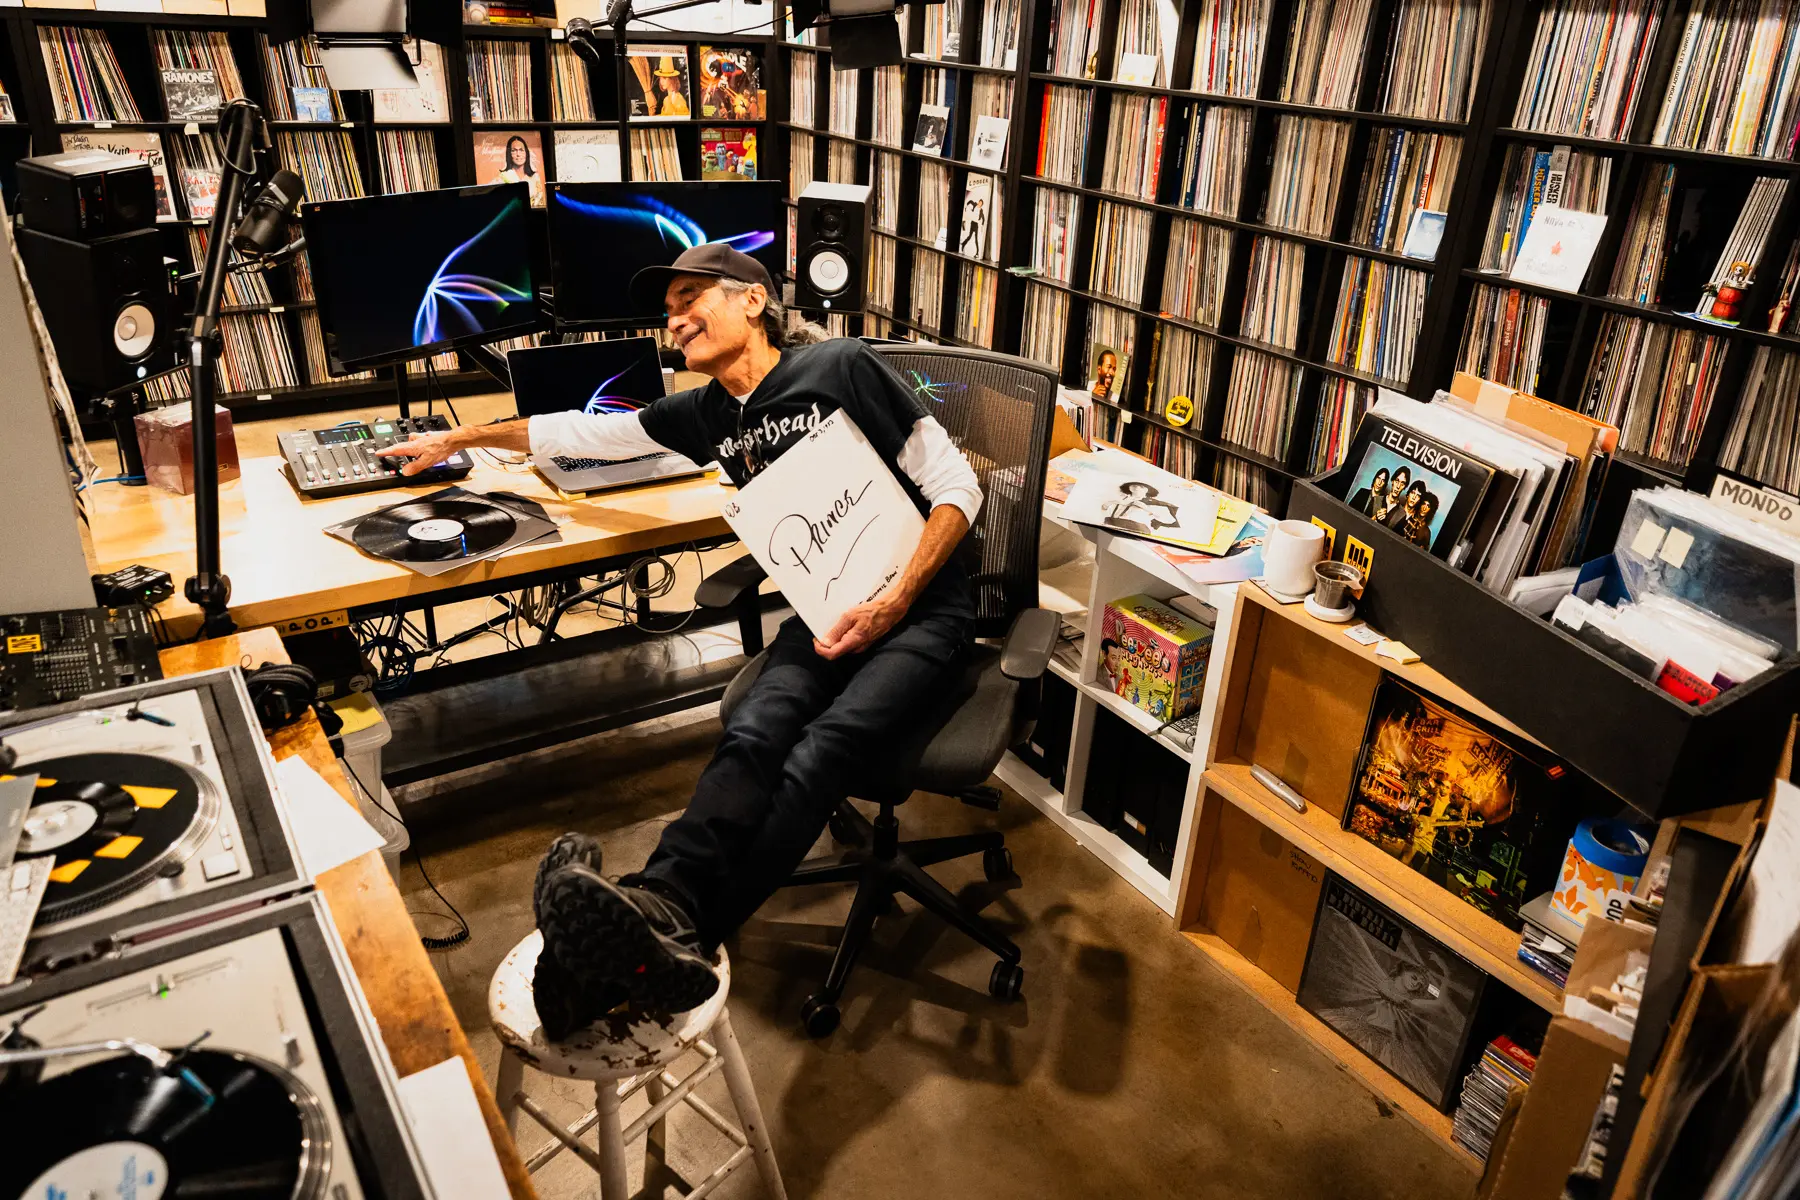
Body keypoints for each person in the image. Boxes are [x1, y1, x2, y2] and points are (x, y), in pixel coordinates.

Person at [383, 244, 983, 1034]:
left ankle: (678, 930)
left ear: (754, 302)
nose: (673, 320)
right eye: (668, 309)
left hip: (924, 605)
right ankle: (653, 909)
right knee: (754, 729)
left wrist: (899, 598)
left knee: (822, 751)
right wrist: (464, 439)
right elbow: (589, 435)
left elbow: (957, 487)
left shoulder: (841, 366)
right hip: (828, 604)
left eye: (691, 297)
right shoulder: (707, 414)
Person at [1103, 480, 1179, 536]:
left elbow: (1170, 520)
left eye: (1141, 487)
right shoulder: (1121, 498)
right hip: (1111, 527)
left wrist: (1145, 508)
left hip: (1137, 532)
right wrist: (1117, 502)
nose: (1136, 488)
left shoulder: (1152, 503)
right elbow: (1104, 508)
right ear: (1130, 488)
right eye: (1134, 486)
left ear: (1146, 490)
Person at [495, 135, 541, 206]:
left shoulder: (535, 177)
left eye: (521, 150)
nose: (518, 154)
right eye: (514, 151)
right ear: (509, 154)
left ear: (526, 153)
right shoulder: (502, 178)